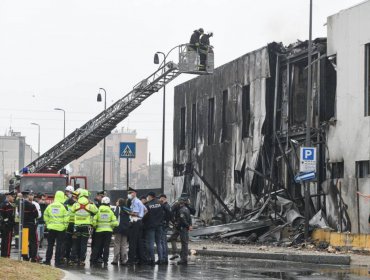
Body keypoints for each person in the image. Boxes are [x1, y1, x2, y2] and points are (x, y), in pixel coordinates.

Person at [71, 189, 98, 266]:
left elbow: (72, 211)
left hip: (76, 227)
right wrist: (92, 204)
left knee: (75, 243)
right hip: (86, 226)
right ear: (86, 196)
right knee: (83, 244)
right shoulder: (89, 204)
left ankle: (73, 259)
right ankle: (82, 260)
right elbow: (96, 211)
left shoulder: (76, 204)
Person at [43, 191, 69, 266]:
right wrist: (65, 227)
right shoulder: (64, 206)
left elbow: (45, 215)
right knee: (59, 245)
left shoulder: (50, 206)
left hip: (51, 228)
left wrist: (48, 224)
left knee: (50, 245)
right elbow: (66, 218)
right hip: (61, 229)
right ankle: (57, 262)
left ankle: (48, 260)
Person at [91, 197, 118, 266]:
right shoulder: (110, 212)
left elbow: (93, 221)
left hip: (99, 231)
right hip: (108, 232)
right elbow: (115, 223)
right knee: (106, 246)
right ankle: (105, 261)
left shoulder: (98, 211)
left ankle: (93, 260)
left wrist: (96, 226)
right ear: (108, 203)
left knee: (97, 246)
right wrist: (111, 226)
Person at [126, 187, 147, 265]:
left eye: (130, 193)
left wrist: (127, 212)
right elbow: (145, 210)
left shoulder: (135, 202)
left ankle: (131, 260)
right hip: (139, 222)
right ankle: (141, 259)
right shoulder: (139, 201)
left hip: (135, 223)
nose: (129, 194)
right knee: (139, 242)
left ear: (134, 193)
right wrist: (141, 218)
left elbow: (135, 213)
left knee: (132, 242)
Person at [144, 192, 164, 265]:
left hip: (151, 226)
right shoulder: (161, 203)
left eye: (148, 197)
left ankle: (152, 259)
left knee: (151, 243)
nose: (147, 198)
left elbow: (145, 216)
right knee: (159, 243)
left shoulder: (148, 205)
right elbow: (166, 212)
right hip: (159, 225)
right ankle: (161, 259)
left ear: (150, 196)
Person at [21, 190, 39, 262]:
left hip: (24, 224)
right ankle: (33, 257)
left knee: (25, 241)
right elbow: (36, 215)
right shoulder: (32, 205)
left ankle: (25, 256)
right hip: (31, 224)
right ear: (28, 196)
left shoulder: (21, 205)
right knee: (33, 241)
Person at [174, 197, 192, 265]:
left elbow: (182, 219)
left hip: (183, 228)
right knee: (185, 243)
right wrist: (190, 225)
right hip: (186, 228)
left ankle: (183, 259)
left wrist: (187, 226)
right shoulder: (187, 209)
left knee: (184, 244)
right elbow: (189, 219)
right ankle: (184, 258)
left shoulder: (181, 210)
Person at [112, 198, 130, 265]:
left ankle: (115, 259)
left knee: (117, 243)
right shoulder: (126, 208)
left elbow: (115, 217)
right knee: (124, 244)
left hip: (118, 228)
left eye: (117, 201)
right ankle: (124, 260)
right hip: (126, 229)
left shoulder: (118, 208)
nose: (116, 202)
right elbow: (131, 213)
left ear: (119, 203)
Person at [63, 190, 79, 264]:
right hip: (74, 225)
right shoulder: (77, 205)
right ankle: (73, 257)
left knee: (67, 242)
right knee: (74, 242)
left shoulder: (66, 204)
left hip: (68, 225)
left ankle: (66, 256)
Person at [0, 191, 16, 257]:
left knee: (4, 240)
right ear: (8, 196)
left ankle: (3, 254)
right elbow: (9, 216)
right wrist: (12, 223)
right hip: (8, 225)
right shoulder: (7, 205)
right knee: (8, 241)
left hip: (4, 224)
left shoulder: (3, 204)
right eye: (13, 197)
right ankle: (7, 254)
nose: (13, 198)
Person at [159, 194, 171, 264]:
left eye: (161, 199)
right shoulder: (166, 206)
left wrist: (165, 223)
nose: (160, 201)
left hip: (164, 226)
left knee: (163, 242)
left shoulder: (166, 206)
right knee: (163, 242)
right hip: (165, 225)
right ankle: (164, 257)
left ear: (164, 199)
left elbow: (167, 216)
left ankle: (164, 258)